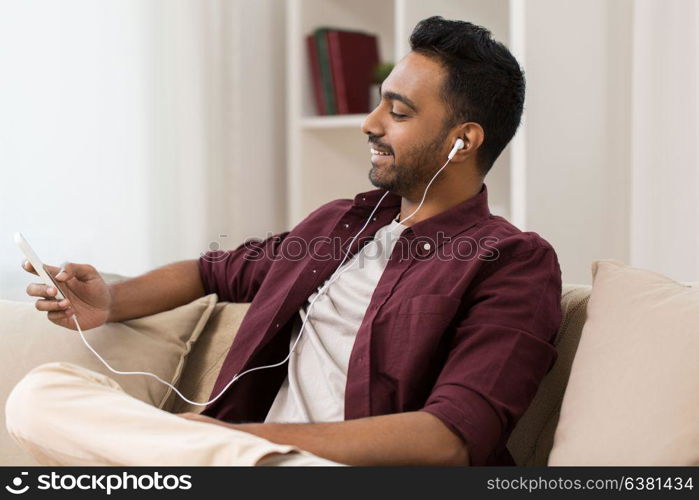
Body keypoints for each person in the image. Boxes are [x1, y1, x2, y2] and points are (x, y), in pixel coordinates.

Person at [6, 16, 561, 467]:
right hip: (234, 457)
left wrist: (241, 440)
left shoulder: (511, 261)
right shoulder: (336, 226)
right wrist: (109, 302)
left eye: (398, 112)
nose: (370, 124)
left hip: (306, 465)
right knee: (42, 394)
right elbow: (212, 272)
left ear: (461, 142)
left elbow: (449, 442)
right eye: (378, 103)